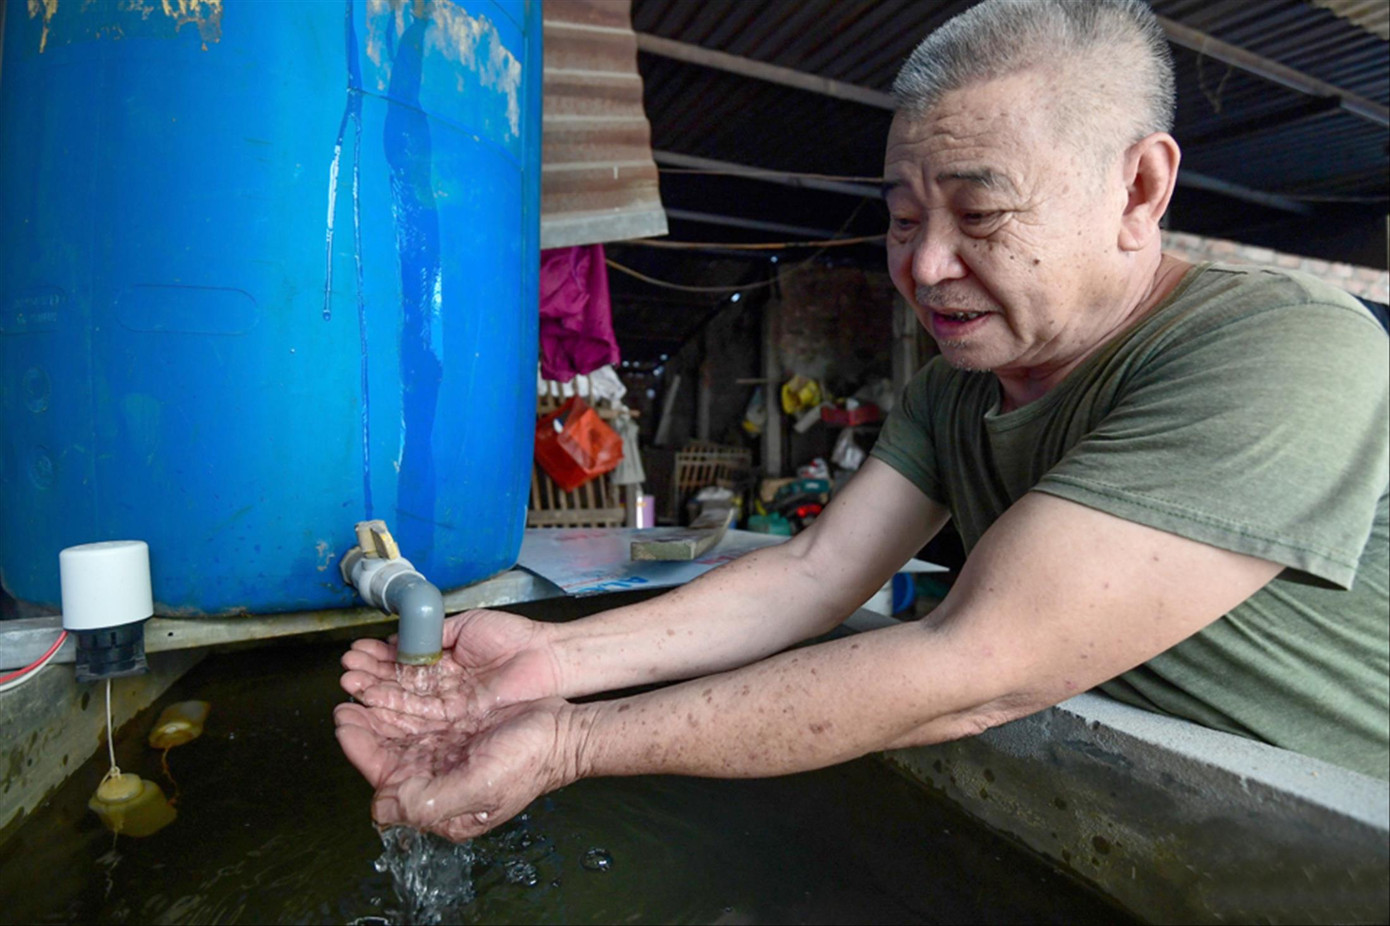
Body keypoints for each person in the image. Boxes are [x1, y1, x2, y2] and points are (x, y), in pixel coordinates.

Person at [335, 0, 1390, 841]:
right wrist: (552, 666)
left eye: (979, 214)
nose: (925, 266)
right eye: (900, 219)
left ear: (1138, 187)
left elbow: (974, 663)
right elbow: (810, 575)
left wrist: (564, 745)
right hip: (1155, 822)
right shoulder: (954, 387)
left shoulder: (1285, 347)